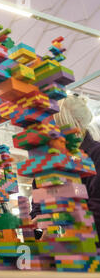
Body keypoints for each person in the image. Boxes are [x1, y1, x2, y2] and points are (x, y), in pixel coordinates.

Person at [30, 94, 100, 239]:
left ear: (78, 128)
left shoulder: (96, 156)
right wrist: (39, 226)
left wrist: (58, 221)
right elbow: (38, 205)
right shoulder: (49, 162)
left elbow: (96, 210)